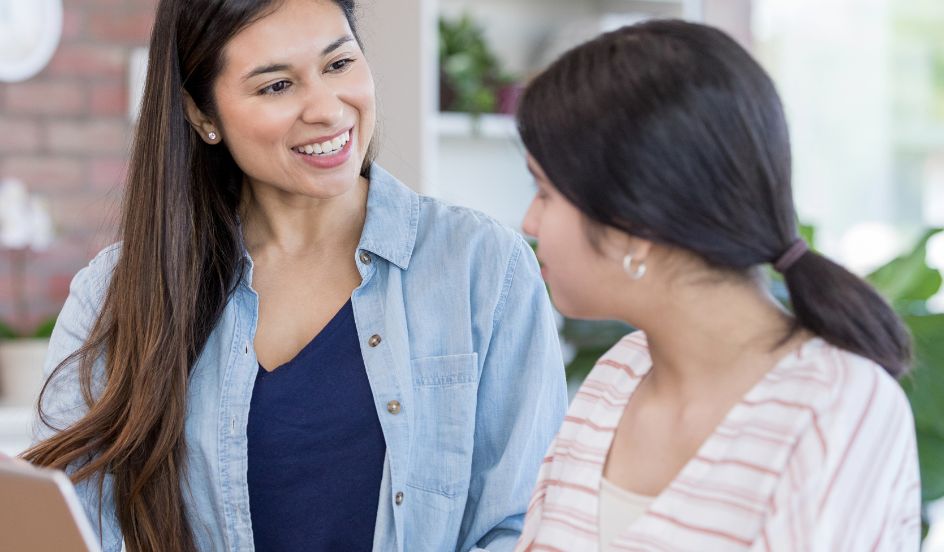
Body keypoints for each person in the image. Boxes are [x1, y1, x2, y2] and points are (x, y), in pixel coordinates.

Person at [21, 0, 568, 550]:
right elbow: (68, 522)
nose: (327, 110)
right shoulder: (117, 292)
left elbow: (521, 526)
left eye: (338, 64)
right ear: (201, 114)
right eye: (276, 86)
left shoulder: (483, 269)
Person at [514, 20, 920, 551]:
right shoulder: (616, 377)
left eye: (544, 192)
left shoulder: (836, 407)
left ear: (635, 223)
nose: (527, 222)